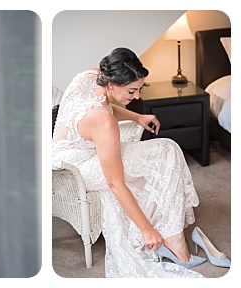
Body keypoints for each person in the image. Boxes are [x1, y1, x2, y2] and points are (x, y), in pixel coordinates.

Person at [51, 47, 233, 277]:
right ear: (111, 85)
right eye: (132, 91)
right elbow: (115, 183)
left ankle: (171, 233)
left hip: (62, 153)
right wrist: (146, 230)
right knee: (166, 152)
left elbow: (103, 104)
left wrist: (138, 117)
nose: (136, 96)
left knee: (167, 150)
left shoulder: (91, 76)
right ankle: (171, 238)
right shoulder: (103, 122)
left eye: (139, 89)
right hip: (76, 170)